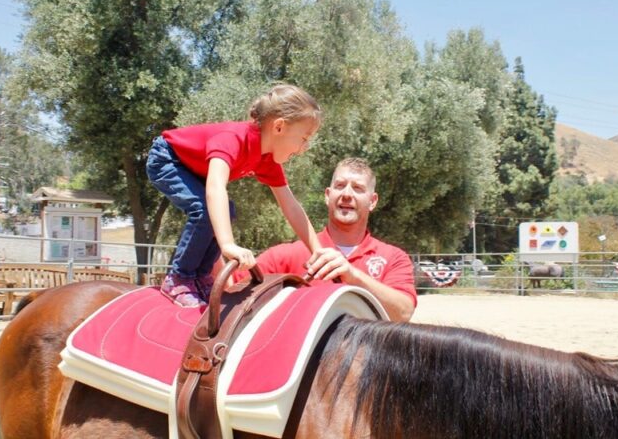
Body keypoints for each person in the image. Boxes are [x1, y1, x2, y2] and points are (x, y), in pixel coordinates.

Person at [147, 84, 323, 307]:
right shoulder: (234, 139)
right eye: (304, 138)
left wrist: (317, 249)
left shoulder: (266, 158)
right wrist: (228, 244)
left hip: (193, 168)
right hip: (167, 159)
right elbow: (215, 187)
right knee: (203, 209)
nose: (304, 147)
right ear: (279, 127)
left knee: (226, 211)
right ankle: (179, 277)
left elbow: (290, 204)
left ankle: (200, 278)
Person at [237, 158, 417, 322]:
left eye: (358, 188)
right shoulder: (285, 256)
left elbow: (403, 314)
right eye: (340, 186)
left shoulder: (394, 258)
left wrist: (352, 275)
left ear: (372, 201)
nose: (347, 194)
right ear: (327, 195)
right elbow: (231, 289)